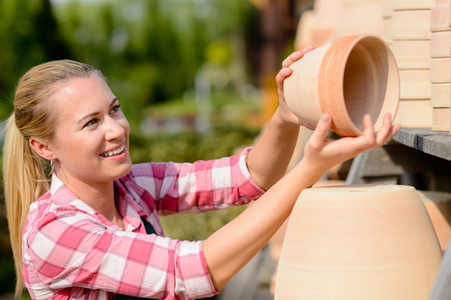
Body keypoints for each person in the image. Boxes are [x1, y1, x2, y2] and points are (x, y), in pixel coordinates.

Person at [3, 47, 400, 300]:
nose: (116, 128)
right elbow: (187, 271)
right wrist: (310, 168)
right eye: (91, 122)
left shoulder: (131, 186)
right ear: (44, 147)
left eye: (114, 109)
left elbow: (249, 178)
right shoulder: (54, 231)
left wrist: (286, 114)